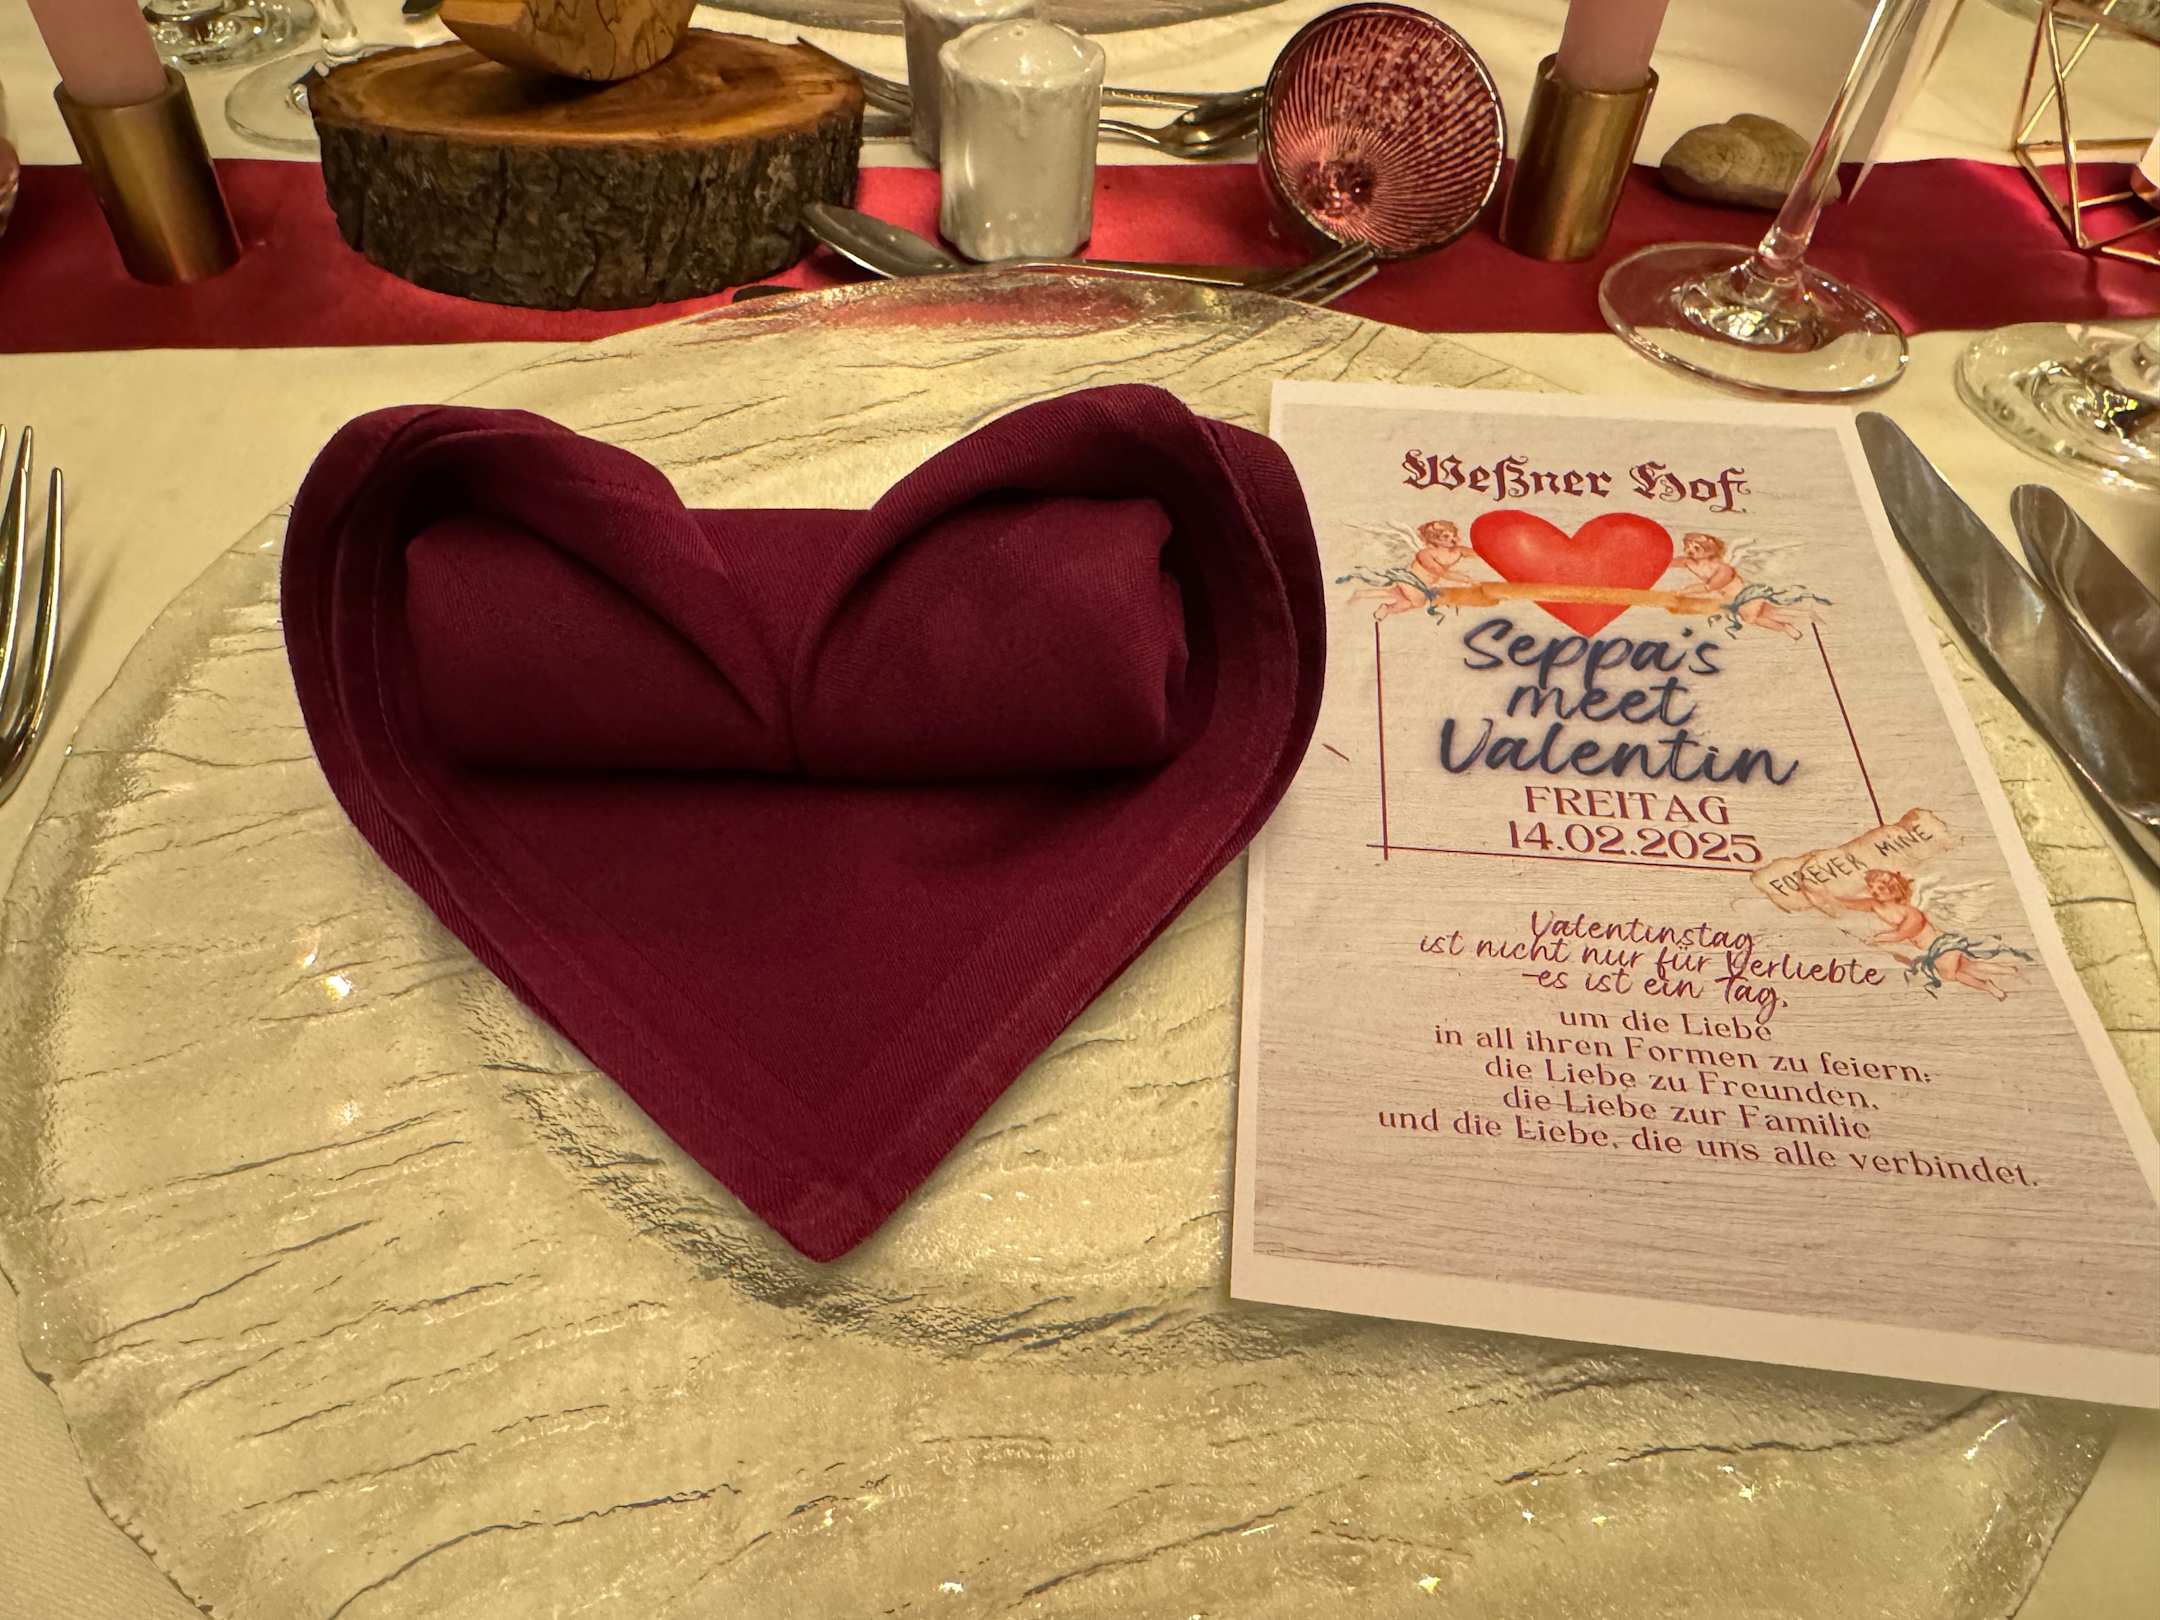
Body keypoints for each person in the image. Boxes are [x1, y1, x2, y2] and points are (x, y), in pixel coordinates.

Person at [1808, 867, 2028, 1000]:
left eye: (1880, 889)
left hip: (1941, 945)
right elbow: (1851, 904)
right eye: (1872, 889)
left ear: (1894, 890)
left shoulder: (1911, 913)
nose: (1875, 893)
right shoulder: (1876, 905)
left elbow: (1902, 934)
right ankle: (2003, 973)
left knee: (1952, 974)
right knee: (1965, 967)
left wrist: (1877, 938)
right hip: (1931, 950)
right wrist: (1826, 896)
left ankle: (1993, 984)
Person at [1671, 532, 1822, 640]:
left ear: (1709, 549)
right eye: (1688, 547)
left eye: (1696, 548)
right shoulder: (1690, 562)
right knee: (1766, 613)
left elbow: (1710, 587)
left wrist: (1684, 591)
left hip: (1745, 595)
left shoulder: (1723, 569)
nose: (1690, 551)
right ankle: (1797, 619)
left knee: (1754, 617)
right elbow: (1671, 561)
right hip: (1734, 601)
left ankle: (1790, 624)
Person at [1342, 520, 1478, 621]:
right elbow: (1440, 572)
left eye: (1453, 535)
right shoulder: (1425, 554)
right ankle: (1365, 602)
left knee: (1405, 602)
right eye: (1446, 537)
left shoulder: (1458, 550)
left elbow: (1479, 554)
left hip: (1422, 585)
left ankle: (1375, 602)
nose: (1452, 540)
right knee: (1418, 601)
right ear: (1433, 538)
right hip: (1410, 580)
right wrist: (1467, 580)